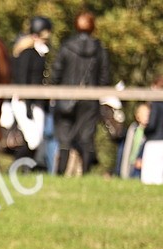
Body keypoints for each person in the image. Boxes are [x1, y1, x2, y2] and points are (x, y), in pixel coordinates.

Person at [52, 11, 110, 176]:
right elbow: (104, 77)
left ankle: (60, 172)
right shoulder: (100, 50)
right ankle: (84, 173)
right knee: (86, 138)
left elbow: (56, 72)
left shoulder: (66, 47)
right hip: (89, 100)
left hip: (65, 98)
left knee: (64, 138)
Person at [8, 16, 52, 168]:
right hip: (25, 101)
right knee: (33, 139)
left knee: (35, 140)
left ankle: (27, 169)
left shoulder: (39, 54)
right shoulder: (28, 54)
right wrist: (26, 102)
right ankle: (18, 168)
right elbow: (22, 78)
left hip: (36, 101)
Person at [115, 103, 148, 179]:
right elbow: (127, 149)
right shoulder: (133, 129)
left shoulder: (151, 132)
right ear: (137, 116)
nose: (146, 117)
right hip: (132, 163)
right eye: (144, 114)